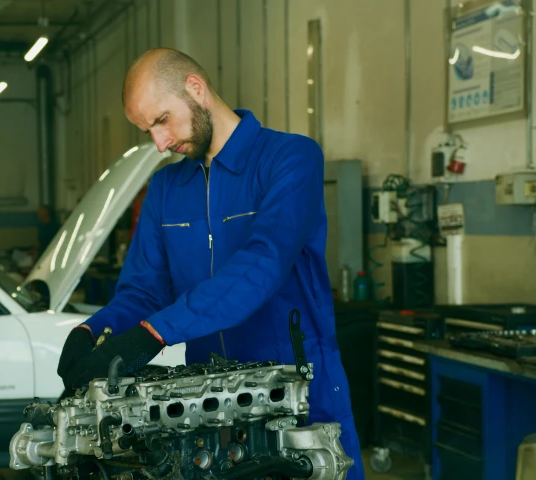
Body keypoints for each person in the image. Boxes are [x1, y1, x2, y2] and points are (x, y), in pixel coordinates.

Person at [55, 48, 365, 479]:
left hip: (298, 391)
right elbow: (144, 290)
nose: (159, 143)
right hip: (206, 407)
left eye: (161, 120)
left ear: (195, 89)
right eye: (148, 130)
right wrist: (93, 331)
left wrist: (153, 334)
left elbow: (262, 264)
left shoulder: (290, 158)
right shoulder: (165, 187)